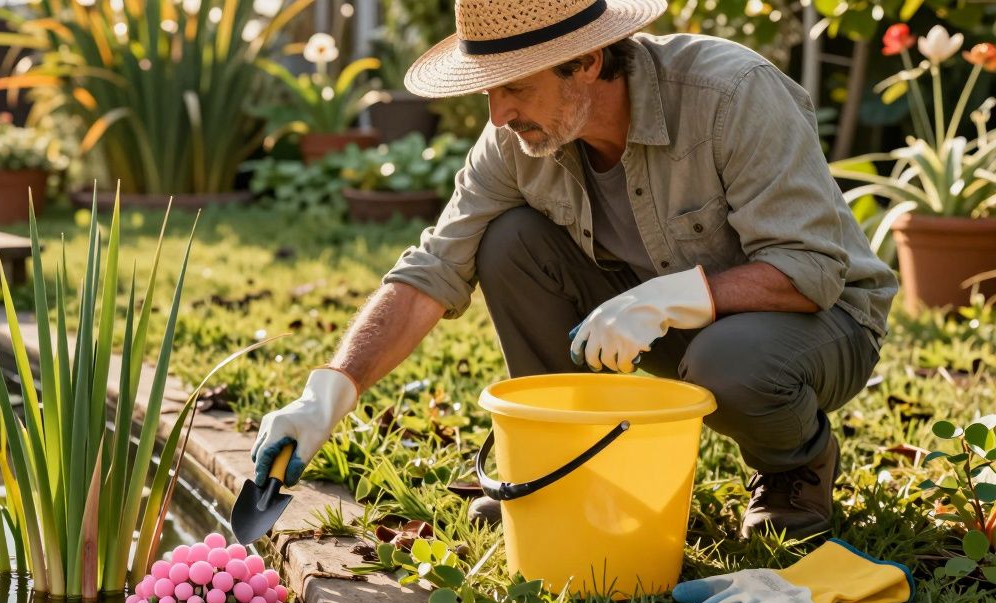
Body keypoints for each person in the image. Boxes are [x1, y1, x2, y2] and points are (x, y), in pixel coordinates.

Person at [249, 0, 897, 539]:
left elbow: (809, 270)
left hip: (815, 323)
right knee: (507, 241)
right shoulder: (514, 141)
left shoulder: (731, 94)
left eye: (515, 87)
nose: (499, 115)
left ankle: (795, 469)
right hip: (654, 323)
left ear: (587, 61)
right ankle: (565, 460)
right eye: (489, 91)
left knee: (732, 362)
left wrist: (668, 298)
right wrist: (329, 391)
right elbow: (432, 267)